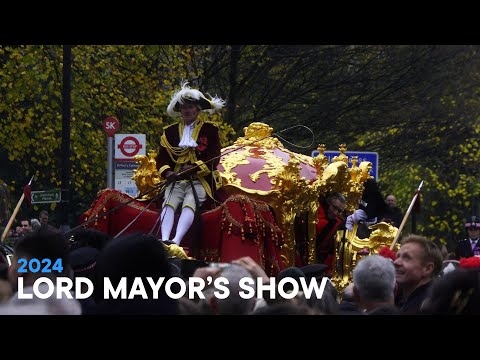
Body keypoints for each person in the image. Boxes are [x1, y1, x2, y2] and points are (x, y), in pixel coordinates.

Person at [155, 81, 226, 246]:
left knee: (190, 202)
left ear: (197, 109)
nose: (187, 110)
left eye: (190, 107)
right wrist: (167, 173)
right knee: (169, 201)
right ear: (180, 111)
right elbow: (161, 158)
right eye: (184, 107)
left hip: (200, 180)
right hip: (175, 179)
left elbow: (214, 156)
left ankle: (176, 241)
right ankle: (165, 238)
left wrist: (194, 168)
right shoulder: (169, 132)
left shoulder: (210, 129)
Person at [393, 234, 443, 314]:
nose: (396, 262)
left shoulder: (431, 307)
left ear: (428, 269)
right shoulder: (397, 299)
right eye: (398, 256)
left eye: (406, 258)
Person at [315, 192, 347, 272]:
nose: (335, 213)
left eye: (339, 211)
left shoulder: (338, 223)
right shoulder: (315, 212)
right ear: (327, 203)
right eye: (334, 207)